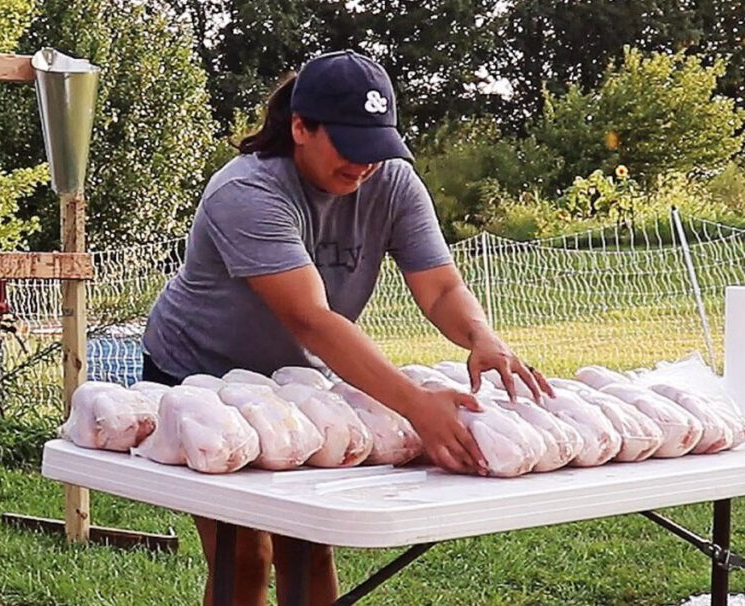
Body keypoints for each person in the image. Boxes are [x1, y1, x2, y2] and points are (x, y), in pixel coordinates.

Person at [140, 49, 552, 606]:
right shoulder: (247, 191)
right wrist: (416, 404)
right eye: (351, 147)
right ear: (301, 127)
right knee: (243, 550)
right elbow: (311, 319)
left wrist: (482, 336)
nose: (364, 166)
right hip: (198, 375)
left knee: (309, 543)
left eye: (377, 149)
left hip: (293, 378)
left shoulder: (394, 183)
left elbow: (440, 287)